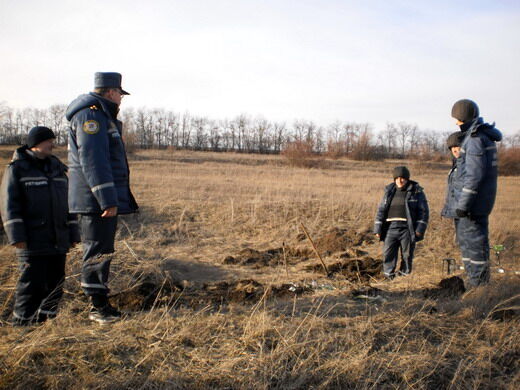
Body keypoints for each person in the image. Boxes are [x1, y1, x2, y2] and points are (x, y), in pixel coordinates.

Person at [65, 72, 138, 324]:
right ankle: (97, 307)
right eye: (120, 93)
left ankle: (100, 302)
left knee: (102, 249)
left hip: (97, 199)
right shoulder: (91, 117)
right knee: (97, 251)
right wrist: (107, 199)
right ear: (110, 92)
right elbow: (93, 161)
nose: (121, 98)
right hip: (93, 200)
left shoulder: (102, 115)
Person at [0, 126, 80, 325]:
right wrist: (16, 236)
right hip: (32, 240)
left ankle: (45, 323)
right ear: (35, 143)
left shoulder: (58, 168)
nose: (52, 144)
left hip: (57, 239)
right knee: (31, 285)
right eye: (48, 141)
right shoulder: (17, 169)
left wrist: (73, 233)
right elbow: (9, 205)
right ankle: (21, 326)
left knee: (56, 284)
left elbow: (68, 204)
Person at [449, 99, 502, 287]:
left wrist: (462, 206)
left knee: (474, 247)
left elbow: (474, 177)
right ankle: (476, 283)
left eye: (458, 119)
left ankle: (478, 287)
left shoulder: (475, 140)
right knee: (472, 246)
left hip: (473, 207)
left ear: (465, 117)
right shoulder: (482, 137)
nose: (456, 123)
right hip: (477, 205)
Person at [374, 166, 429, 279]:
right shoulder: (389, 192)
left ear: (407, 179)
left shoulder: (416, 192)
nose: (400, 180)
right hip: (390, 228)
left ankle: (404, 277)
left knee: (407, 254)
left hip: (407, 229)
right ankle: (388, 276)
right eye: (397, 178)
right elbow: (381, 210)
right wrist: (377, 229)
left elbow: (423, 212)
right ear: (394, 179)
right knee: (388, 253)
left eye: (402, 178)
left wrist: (419, 229)